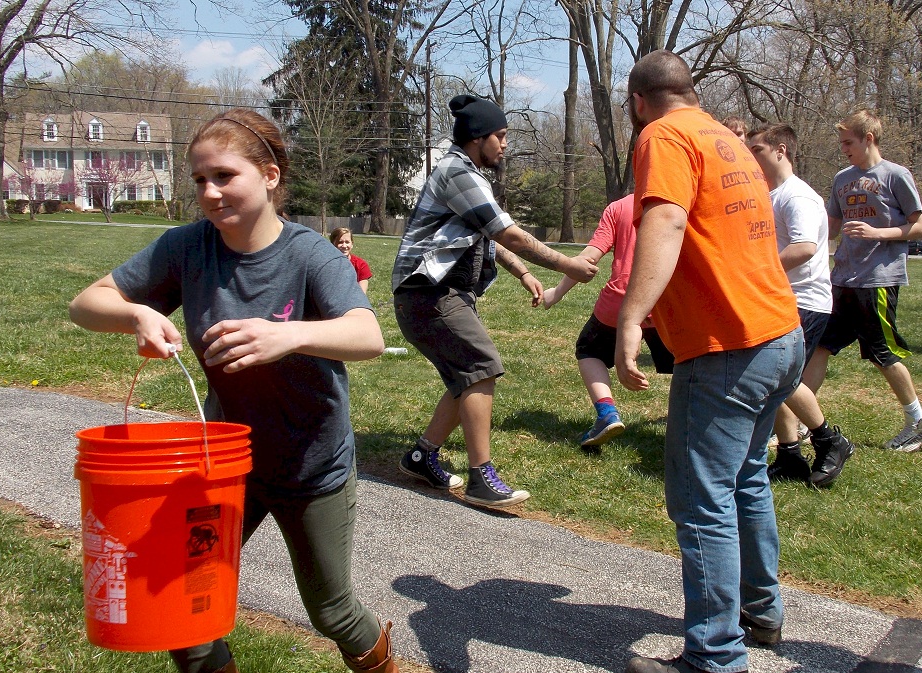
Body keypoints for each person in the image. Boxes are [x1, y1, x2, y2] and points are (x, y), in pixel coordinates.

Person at [69, 109, 399, 673]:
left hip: (310, 461)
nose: (210, 192)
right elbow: (85, 303)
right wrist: (138, 317)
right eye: (199, 180)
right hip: (225, 462)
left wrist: (287, 335)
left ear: (269, 176)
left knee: (332, 611)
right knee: (178, 601)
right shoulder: (188, 248)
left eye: (224, 175)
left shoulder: (309, 253)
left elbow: (367, 335)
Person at [614, 51, 803, 673]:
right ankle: (760, 612)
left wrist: (633, 317)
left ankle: (714, 656)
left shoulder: (662, 135)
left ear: (638, 102)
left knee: (702, 500)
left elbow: (664, 220)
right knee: (745, 478)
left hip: (730, 346)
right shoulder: (723, 135)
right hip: (780, 331)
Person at [393, 93, 598, 508]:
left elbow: (485, 235)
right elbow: (509, 234)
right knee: (480, 365)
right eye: (500, 136)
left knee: (466, 374)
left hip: (438, 294)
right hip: (427, 294)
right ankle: (480, 478)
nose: (504, 145)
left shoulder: (468, 174)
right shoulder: (457, 172)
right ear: (477, 136)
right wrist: (567, 266)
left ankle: (422, 455)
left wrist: (524, 273)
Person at [805, 110, 922, 453]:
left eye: (848, 142)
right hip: (844, 278)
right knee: (821, 345)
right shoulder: (842, 178)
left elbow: (920, 227)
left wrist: (876, 233)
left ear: (869, 138)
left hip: (877, 280)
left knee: (882, 352)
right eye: (841, 143)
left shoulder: (895, 175)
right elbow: (830, 226)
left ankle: (919, 423)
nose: (843, 149)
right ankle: (803, 421)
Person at [747, 124, 856, 487]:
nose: (751, 156)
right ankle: (790, 455)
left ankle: (830, 441)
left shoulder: (798, 196)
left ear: (781, 150)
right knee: (770, 377)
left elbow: (806, 247)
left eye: (757, 149)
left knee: (782, 376)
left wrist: (756, 274)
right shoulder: (770, 194)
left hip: (805, 300)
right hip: (778, 297)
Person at [542, 194, 674, 449]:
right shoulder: (680, 203)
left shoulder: (620, 207)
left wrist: (557, 292)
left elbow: (590, 257)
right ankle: (690, 423)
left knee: (589, 350)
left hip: (621, 302)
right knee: (687, 363)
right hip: (665, 301)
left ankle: (607, 414)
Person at [331, 227, 373, 293]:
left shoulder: (361, 265)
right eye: (340, 242)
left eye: (347, 242)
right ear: (332, 244)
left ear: (352, 244)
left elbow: (361, 294)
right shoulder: (326, 264)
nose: (344, 246)